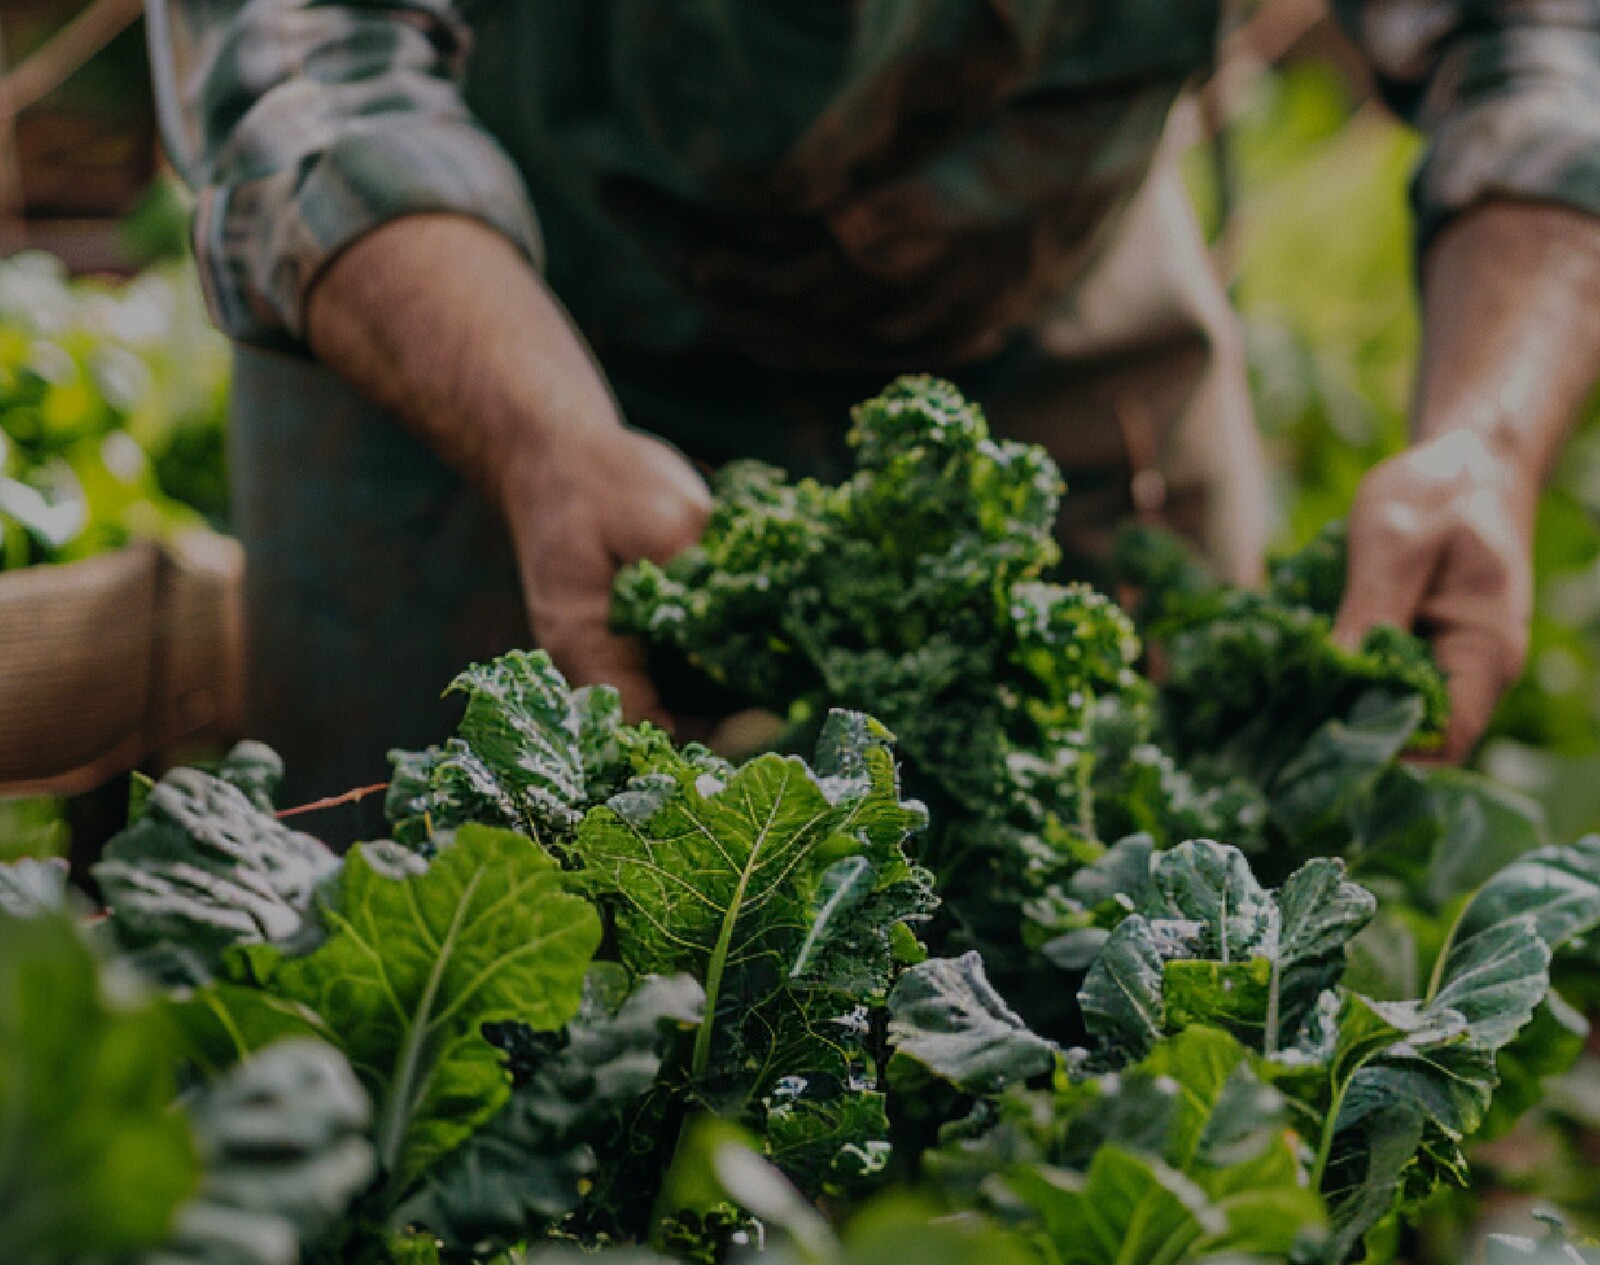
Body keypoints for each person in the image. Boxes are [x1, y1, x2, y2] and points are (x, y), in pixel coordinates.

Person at [146, 0, 1600, 819]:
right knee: (421, 998)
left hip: (1047, 293)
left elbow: (1542, 41)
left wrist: (1485, 440)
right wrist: (546, 439)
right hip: (475, 310)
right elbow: (307, 88)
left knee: (1154, 930)